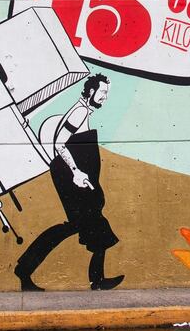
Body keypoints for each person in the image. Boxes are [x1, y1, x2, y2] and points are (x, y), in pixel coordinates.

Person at [14, 74, 124, 291]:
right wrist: (75, 172)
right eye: (102, 93)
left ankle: (96, 279)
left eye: (107, 94)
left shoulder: (84, 111)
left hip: (79, 179)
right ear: (91, 92)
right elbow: (59, 143)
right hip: (72, 179)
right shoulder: (80, 111)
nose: (104, 98)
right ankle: (25, 270)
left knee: (92, 226)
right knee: (87, 225)